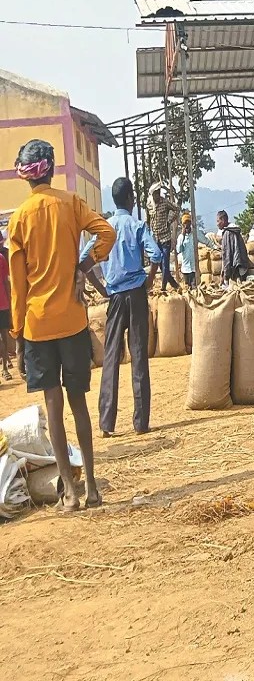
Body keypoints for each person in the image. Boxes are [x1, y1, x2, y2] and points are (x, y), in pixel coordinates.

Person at [7, 139, 115, 510]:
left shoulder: (19, 218)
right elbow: (107, 233)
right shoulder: (70, 203)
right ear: (52, 170)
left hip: (37, 326)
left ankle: (69, 492)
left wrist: (18, 337)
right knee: (79, 403)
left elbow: (18, 288)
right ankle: (93, 487)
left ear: (25, 176)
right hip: (72, 321)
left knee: (53, 408)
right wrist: (84, 266)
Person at [100, 178, 161, 437]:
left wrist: (101, 288)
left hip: (114, 297)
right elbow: (156, 254)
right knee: (138, 356)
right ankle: (141, 423)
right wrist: (150, 279)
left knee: (111, 358)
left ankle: (106, 424)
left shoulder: (104, 229)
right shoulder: (136, 225)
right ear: (129, 199)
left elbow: (84, 260)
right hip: (136, 295)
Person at [147, 184, 181, 292]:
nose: (157, 196)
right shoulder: (150, 205)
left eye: (158, 193)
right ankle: (174, 284)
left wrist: (169, 220)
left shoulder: (165, 202)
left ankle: (163, 287)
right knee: (160, 265)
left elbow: (177, 209)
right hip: (156, 238)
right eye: (155, 194)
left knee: (165, 264)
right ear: (152, 194)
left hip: (165, 238)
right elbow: (150, 219)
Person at [217, 209, 251, 284]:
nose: (217, 224)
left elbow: (227, 256)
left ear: (223, 220)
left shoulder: (227, 233)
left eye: (218, 221)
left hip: (234, 270)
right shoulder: (236, 230)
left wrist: (225, 276)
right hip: (241, 267)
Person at [175, 213, 208, 287]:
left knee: (194, 288)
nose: (186, 225)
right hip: (185, 269)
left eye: (188, 223)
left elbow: (205, 241)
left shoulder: (195, 234)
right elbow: (178, 250)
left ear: (190, 223)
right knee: (187, 288)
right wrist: (183, 237)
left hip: (194, 268)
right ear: (182, 225)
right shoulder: (180, 237)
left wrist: (214, 246)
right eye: (185, 223)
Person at [0, 235, 11, 381]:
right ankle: (5, 368)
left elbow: (5, 281)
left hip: (2, 303)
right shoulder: (2, 258)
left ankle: (5, 367)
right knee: (3, 336)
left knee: (3, 336)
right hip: (3, 303)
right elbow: (6, 282)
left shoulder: (1, 258)